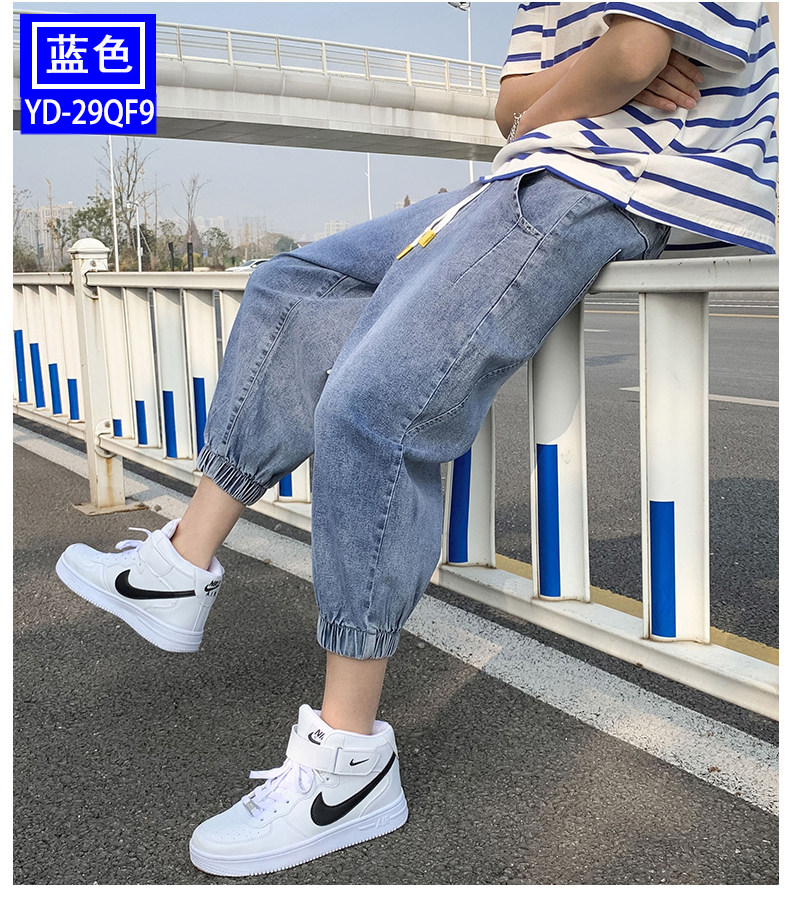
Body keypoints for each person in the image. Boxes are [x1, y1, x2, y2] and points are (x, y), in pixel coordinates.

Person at [55, 2, 777, 878]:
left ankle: (349, 762)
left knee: (372, 406)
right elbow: (514, 105)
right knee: (293, 284)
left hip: (612, 181)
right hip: (526, 174)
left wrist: (576, 89)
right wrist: (576, 87)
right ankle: (180, 563)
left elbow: (631, 54)